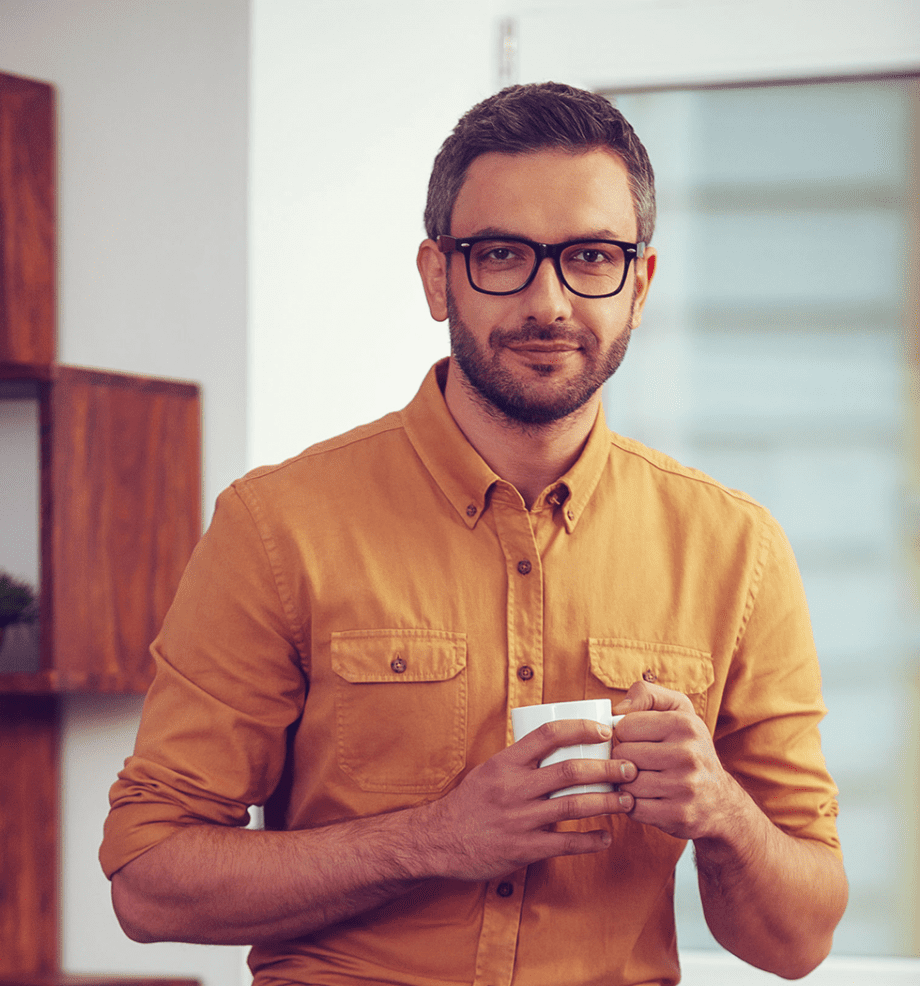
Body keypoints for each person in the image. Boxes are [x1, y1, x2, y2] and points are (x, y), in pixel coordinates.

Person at [101, 82, 847, 986]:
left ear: (639, 284)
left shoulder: (739, 550)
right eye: (501, 255)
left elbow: (797, 942)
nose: (549, 300)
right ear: (436, 275)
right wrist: (434, 839)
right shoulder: (276, 527)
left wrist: (723, 811)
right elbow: (149, 884)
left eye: (591, 257)